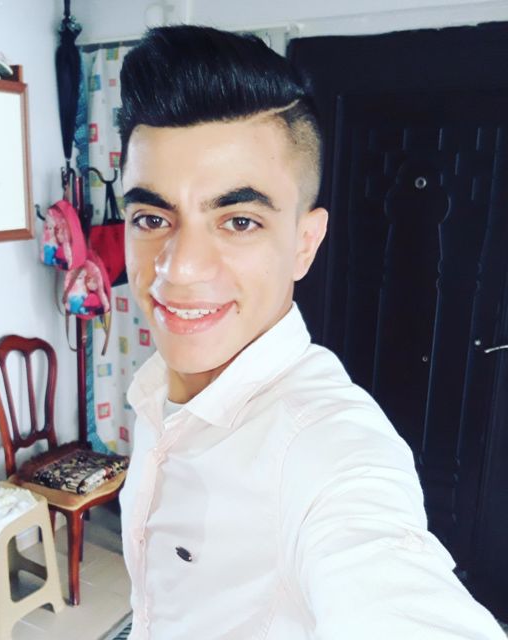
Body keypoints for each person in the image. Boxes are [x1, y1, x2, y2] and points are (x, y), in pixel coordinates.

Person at [116, 25, 506, 639]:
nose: (178, 269)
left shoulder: (325, 450)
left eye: (238, 221)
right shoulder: (154, 390)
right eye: (151, 217)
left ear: (304, 243)